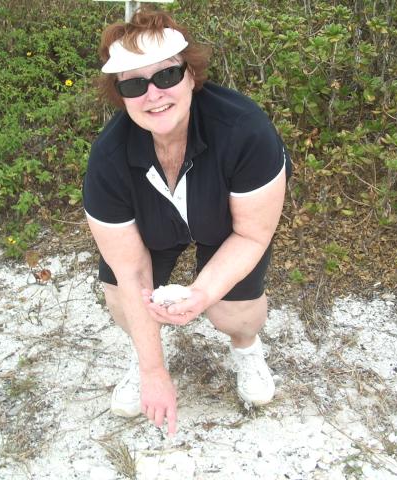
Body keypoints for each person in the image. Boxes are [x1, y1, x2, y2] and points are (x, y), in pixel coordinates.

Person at [83, 8, 290, 437]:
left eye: (167, 75)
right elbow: (131, 269)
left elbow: (252, 234)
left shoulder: (245, 130)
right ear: (121, 95)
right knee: (122, 298)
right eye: (134, 84)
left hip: (225, 221)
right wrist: (153, 370)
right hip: (154, 221)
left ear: (191, 75)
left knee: (233, 312)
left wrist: (202, 293)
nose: (153, 94)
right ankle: (141, 355)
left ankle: (247, 349)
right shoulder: (107, 159)